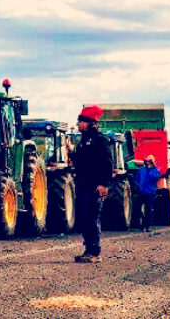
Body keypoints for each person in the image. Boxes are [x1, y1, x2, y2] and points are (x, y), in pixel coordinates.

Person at [71, 105, 113, 263]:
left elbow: (106, 163)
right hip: (83, 185)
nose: (78, 124)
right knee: (83, 217)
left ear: (90, 122)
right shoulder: (83, 141)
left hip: (94, 186)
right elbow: (81, 162)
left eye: (81, 121)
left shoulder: (100, 140)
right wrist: (71, 154)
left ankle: (94, 251)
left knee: (92, 217)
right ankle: (88, 249)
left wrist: (103, 184)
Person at [133, 155, 162, 231]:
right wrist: (138, 186)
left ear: (152, 162)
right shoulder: (141, 170)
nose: (147, 162)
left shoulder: (155, 170)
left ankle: (148, 226)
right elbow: (136, 179)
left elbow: (156, 178)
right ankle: (142, 225)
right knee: (139, 209)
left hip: (151, 193)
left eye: (149, 161)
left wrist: (151, 168)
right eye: (146, 161)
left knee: (149, 210)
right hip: (142, 192)